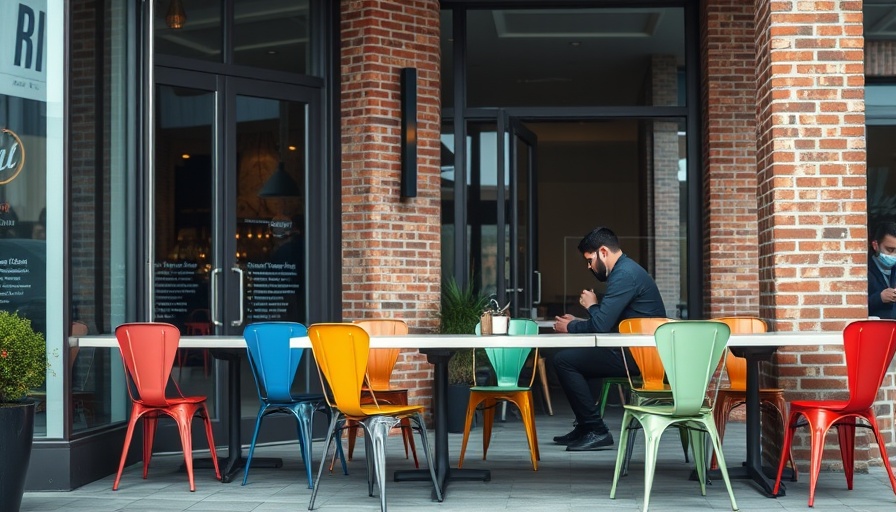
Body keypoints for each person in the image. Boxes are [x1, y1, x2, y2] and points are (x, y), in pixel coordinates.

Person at [551, 226, 666, 451]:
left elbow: (601, 326)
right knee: (581, 359)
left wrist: (577, 320)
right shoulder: (627, 271)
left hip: (642, 356)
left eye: (589, 260)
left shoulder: (624, 275)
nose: (589, 267)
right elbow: (609, 321)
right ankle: (586, 426)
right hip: (638, 351)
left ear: (603, 252)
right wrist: (581, 319)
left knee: (564, 361)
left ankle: (596, 430)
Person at [869, 221, 896, 319]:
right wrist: (880, 298)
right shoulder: (862, 271)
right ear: (875, 245)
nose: (894, 255)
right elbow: (851, 306)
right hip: (875, 326)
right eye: (890, 250)